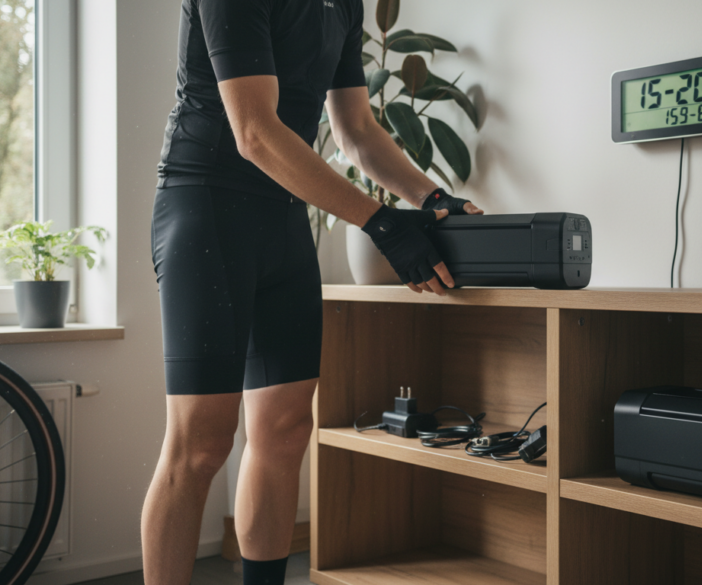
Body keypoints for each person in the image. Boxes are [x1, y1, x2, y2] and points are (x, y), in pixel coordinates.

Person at [142, 1, 482, 583]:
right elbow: (253, 131)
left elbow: (356, 131)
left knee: (286, 429)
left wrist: (430, 196)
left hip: (282, 218)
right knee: (200, 445)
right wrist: (379, 223)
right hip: (207, 205)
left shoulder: (345, 5)